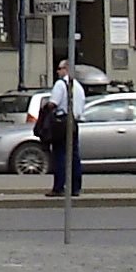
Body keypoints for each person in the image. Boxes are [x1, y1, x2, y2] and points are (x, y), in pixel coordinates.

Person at [34, 57, 86, 197]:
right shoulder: (78, 86)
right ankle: (76, 187)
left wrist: (45, 110)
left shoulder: (60, 84)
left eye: (60, 68)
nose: (57, 71)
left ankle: (59, 187)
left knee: (60, 155)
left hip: (62, 122)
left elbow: (53, 103)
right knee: (74, 156)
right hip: (74, 122)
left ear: (66, 69)